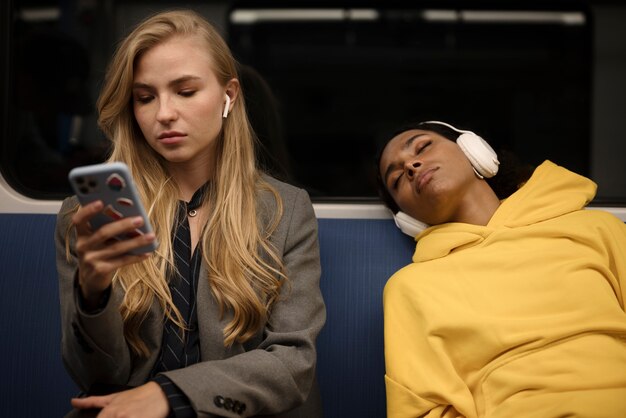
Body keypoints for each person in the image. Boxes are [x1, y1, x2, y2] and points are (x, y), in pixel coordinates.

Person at [55, 9, 325, 418]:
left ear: (228, 95)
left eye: (185, 91)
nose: (163, 113)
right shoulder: (89, 213)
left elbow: (292, 362)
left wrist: (171, 394)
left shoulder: (285, 211)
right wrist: (93, 295)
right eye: (145, 97)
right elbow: (95, 376)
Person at [376, 120, 626, 417]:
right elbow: (425, 411)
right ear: (407, 218)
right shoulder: (409, 288)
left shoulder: (598, 229)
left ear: (474, 150)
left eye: (423, 147)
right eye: (397, 180)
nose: (412, 166)